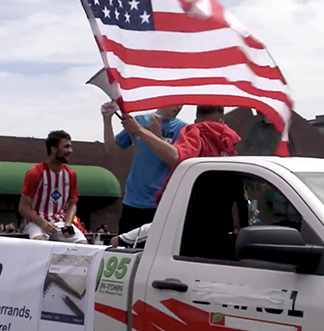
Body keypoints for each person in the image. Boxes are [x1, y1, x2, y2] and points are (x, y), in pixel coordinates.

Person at [118, 105, 246, 249]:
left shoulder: (197, 134)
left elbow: (176, 156)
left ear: (196, 120)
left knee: (122, 245)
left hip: (190, 225)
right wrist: (244, 230)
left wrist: (140, 131)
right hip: (222, 227)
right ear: (222, 121)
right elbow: (241, 195)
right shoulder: (229, 146)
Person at [103, 102, 186, 234]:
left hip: (162, 203)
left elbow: (175, 161)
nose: (179, 107)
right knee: (127, 250)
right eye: (175, 102)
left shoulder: (183, 129)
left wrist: (157, 136)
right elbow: (112, 149)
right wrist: (107, 119)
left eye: (182, 104)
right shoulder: (139, 121)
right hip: (133, 201)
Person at [19, 130, 86, 243]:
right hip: (36, 222)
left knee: (83, 245)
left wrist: (68, 224)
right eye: (66, 147)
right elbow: (23, 207)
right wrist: (44, 224)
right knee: (41, 243)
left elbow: (72, 204)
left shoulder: (70, 174)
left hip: (60, 222)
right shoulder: (35, 173)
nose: (70, 151)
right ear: (53, 149)